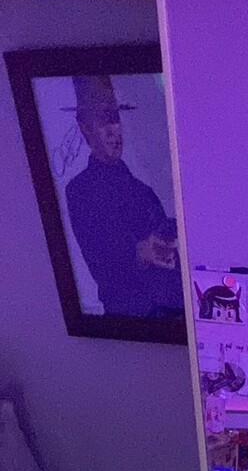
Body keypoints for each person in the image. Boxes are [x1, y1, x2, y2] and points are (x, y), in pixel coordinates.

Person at [64, 75, 184, 318]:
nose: (113, 131)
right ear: (85, 128)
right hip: (134, 320)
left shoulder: (143, 191)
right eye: (102, 121)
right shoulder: (80, 191)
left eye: (115, 119)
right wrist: (141, 253)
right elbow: (101, 263)